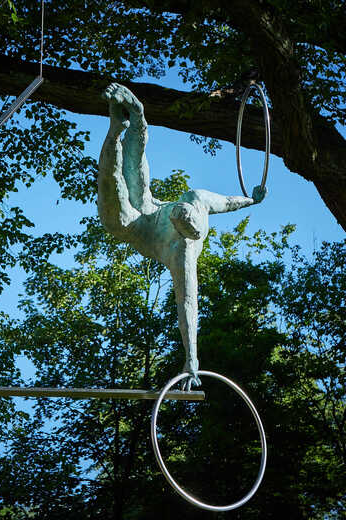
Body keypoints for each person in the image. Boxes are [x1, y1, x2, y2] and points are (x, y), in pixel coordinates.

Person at [97, 83, 266, 388]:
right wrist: (252, 200)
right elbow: (228, 202)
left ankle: (113, 134)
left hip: (140, 228)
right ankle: (135, 113)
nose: (181, 214)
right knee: (136, 165)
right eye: (182, 212)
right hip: (150, 206)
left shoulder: (182, 253)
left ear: (186, 230)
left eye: (181, 219)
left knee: (115, 209)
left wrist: (192, 358)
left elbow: (187, 302)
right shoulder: (197, 198)